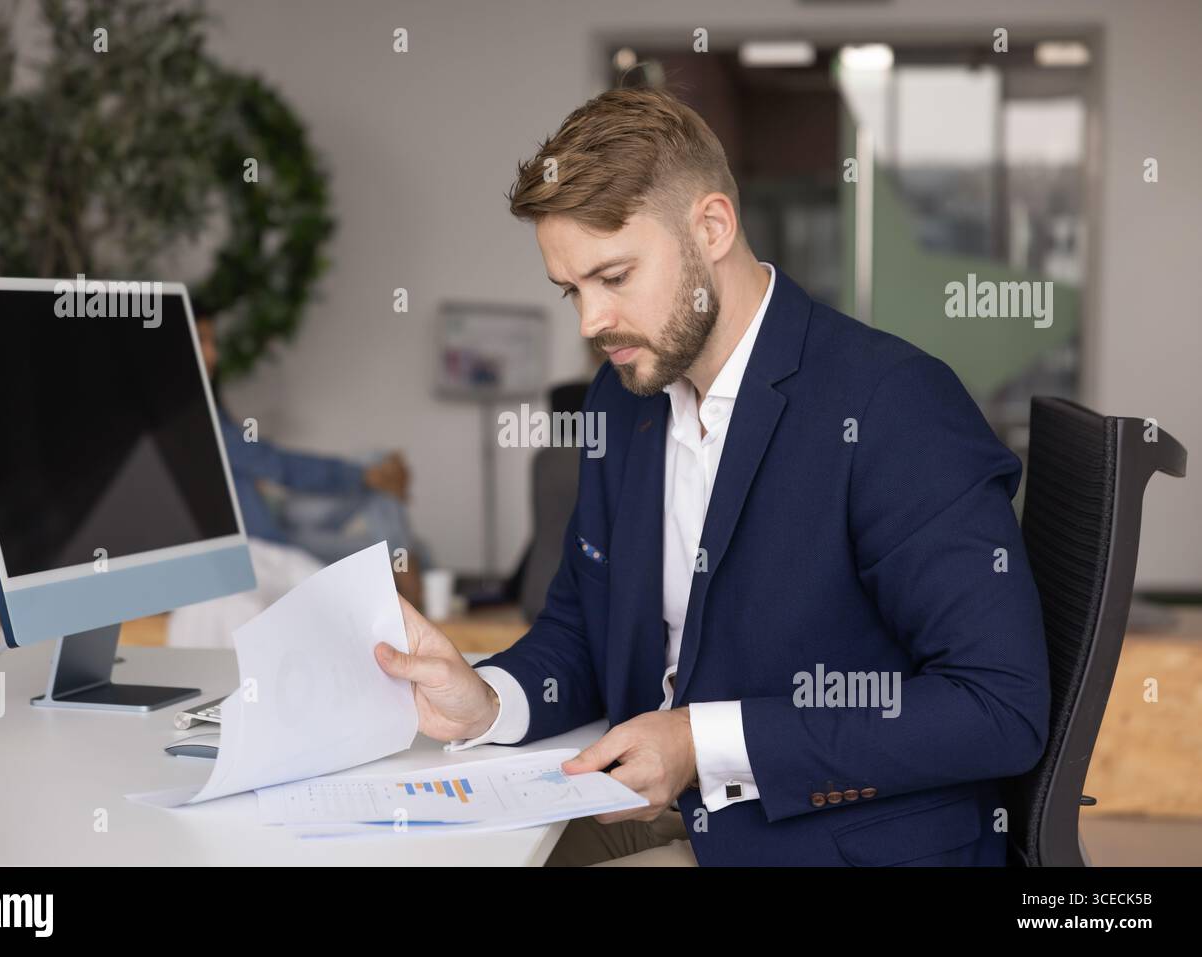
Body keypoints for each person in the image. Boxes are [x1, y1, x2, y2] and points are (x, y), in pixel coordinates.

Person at [374, 87, 1050, 866]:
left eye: (615, 276)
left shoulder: (891, 403)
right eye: (573, 291)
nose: (590, 322)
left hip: (832, 837)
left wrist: (704, 741)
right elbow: (582, 631)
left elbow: (999, 707)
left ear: (713, 227)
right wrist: (486, 700)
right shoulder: (623, 399)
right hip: (667, 809)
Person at [194, 311, 422, 606]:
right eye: (201, 341)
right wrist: (361, 476)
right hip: (266, 541)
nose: (214, 353)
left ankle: (408, 568)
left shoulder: (210, 406)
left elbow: (262, 464)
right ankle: (411, 581)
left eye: (213, 341)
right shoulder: (189, 418)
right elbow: (274, 465)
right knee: (388, 538)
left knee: (377, 463)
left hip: (274, 513)